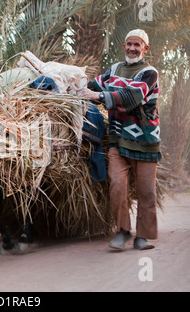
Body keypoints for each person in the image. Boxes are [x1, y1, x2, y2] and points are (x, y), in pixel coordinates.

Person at [78, 29, 160, 250]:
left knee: (146, 191)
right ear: (124, 46)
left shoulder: (149, 73)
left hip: (145, 141)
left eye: (138, 45)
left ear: (145, 49)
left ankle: (142, 236)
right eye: (129, 44)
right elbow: (92, 86)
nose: (133, 48)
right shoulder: (114, 70)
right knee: (116, 187)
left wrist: (98, 96)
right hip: (118, 139)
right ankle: (122, 231)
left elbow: (131, 98)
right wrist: (70, 85)